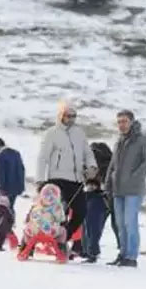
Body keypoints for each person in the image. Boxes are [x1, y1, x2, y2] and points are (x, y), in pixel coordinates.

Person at [35, 101, 97, 251]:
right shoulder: (52, 133)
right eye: (68, 116)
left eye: (74, 116)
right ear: (61, 116)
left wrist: (92, 167)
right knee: (59, 212)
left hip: (76, 180)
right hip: (57, 180)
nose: (71, 119)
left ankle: (63, 238)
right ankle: (48, 240)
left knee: (81, 211)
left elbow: (87, 152)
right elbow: (43, 157)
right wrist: (40, 180)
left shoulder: (79, 133)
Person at [104, 110, 146, 268]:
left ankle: (131, 257)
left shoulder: (144, 140)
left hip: (133, 190)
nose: (122, 124)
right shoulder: (119, 142)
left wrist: (135, 177)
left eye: (125, 121)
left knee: (130, 222)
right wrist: (108, 183)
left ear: (132, 122)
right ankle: (123, 254)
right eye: (119, 122)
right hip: (118, 189)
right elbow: (113, 165)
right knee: (120, 224)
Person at [82, 142, 120, 263]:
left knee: (91, 222)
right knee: (92, 223)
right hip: (103, 197)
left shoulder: (106, 166)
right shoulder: (109, 164)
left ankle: (91, 251)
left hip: (103, 197)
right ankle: (90, 250)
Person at [22, 184, 67, 254]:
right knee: (63, 231)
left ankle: (26, 247)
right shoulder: (57, 208)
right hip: (51, 231)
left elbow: (30, 218)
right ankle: (61, 248)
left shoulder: (36, 206)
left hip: (34, 231)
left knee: (26, 230)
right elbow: (61, 219)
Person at [0, 137, 25, 211]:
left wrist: (0, 188)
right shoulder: (16, 154)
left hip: (4, 189)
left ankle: (4, 222)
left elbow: (0, 174)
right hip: (16, 187)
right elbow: (22, 170)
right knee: (11, 207)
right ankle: (11, 221)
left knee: (2, 209)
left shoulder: (0, 157)